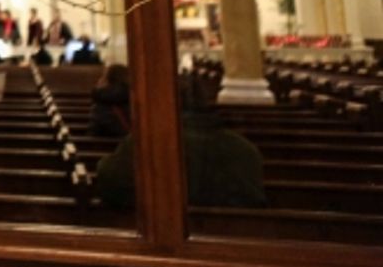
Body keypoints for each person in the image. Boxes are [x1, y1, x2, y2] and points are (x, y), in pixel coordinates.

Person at [95, 78, 265, 211]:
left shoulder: (144, 143)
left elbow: (111, 184)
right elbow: (254, 202)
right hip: (233, 241)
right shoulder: (244, 149)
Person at [89, 63, 131, 137]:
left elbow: (94, 134)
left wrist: (98, 90)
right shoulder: (134, 99)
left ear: (107, 81)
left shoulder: (102, 105)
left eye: (102, 76)